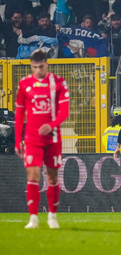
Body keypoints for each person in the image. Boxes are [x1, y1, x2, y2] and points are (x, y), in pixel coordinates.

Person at [15, 49, 70, 229]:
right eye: (35, 67)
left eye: (41, 66)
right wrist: (18, 140)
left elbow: (64, 112)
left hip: (53, 138)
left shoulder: (59, 83)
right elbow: (19, 113)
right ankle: (33, 219)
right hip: (32, 138)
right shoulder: (24, 84)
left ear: (47, 64)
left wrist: (51, 125)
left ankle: (52, 217)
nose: (38, 70)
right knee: (33, 175)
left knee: (52, 177)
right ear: (31, 66)